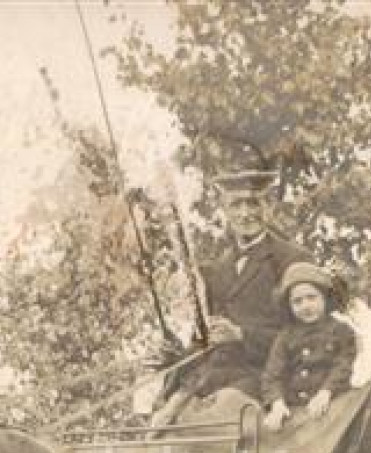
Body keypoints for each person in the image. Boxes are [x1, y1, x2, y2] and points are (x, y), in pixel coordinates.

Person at [151, 162, 313, 426]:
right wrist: (176, 357)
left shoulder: (292, 259)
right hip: (212, 378)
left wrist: (241, 335)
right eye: (236, 205)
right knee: (160, 419)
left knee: (217, 419)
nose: (245, 213)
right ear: (225, 210)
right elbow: (208, 340)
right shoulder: (218, 268)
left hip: (266, 379)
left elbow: (305, 336)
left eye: (253, 204)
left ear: (268, 207)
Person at [262, 261, 358, 432]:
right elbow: (272, 375)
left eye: (312, 298)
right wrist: (277, 403)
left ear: (325, 298)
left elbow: (342, 367)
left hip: (333, 406)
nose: (305, 306)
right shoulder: (285, 337)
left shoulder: (342, 332)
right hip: (295, 411)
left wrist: (326, 392)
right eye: (297, 301)